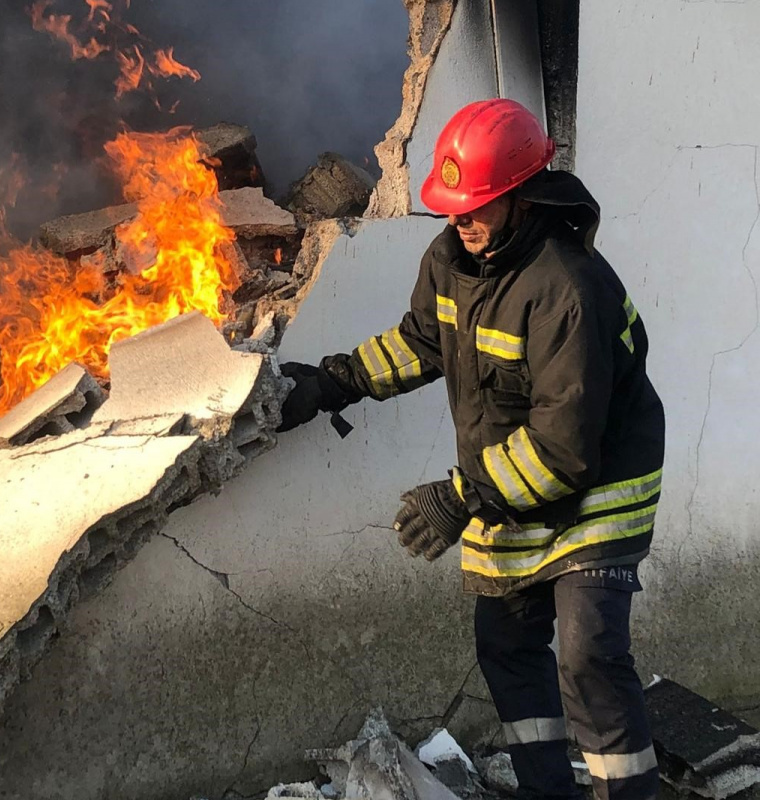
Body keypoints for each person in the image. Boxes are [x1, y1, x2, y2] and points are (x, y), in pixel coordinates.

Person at [278, 98, 665, 800]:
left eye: (479, 205)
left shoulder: (567, 290)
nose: (463, 219)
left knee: (589, 657)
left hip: (600, 488)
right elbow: (424, 340)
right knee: (507, 648)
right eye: (454, 206)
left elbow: (564, 449)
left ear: (523, 195)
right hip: (509, 478)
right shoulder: (452, 257)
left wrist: (459, 496)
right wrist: (335, 383)